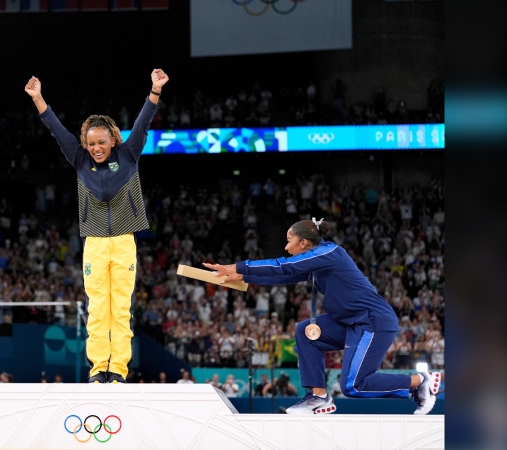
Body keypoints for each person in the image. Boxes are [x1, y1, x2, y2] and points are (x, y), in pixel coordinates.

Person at [203, 218, 440, 415]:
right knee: (305, 332)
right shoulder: (317, 261)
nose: (286, 247)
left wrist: (237, 267)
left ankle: (420, 382)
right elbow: (286, 276)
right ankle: (318, 397)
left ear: (304, 242)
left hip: (372, 321)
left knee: (352, 385)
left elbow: (284, 266)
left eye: (289, 241)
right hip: (350, 322)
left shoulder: (330, 253)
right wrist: (244, 278)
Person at [24, 68, 169, 384]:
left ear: (113, 139)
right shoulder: (79, 160)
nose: (96, 148)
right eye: (91, 143)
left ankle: (117, 369)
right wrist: (38, 98)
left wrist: (155, 91)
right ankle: (97, 368)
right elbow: (56, 129)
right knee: (96, 309)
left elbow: (143, 122)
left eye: (101, 142)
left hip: (124, 242)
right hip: (95, 244)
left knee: (121, 310)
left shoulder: (129, 155)